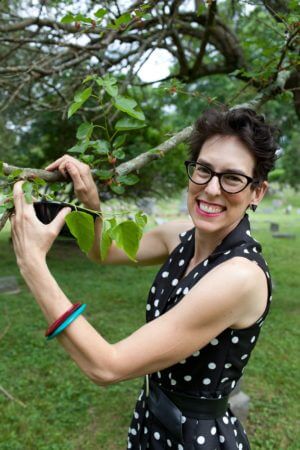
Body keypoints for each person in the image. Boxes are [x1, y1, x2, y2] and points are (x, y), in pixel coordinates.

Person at [10, 108, 278, 449]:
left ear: (257, 191)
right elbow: (103, 252)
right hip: (154, 418)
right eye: (204, 170)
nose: (211, 189)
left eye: (233, 178)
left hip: (193, 439)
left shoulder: (239, 277)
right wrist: (91, 202)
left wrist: (33, 264)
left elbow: (106, 366)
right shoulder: (181, 235)